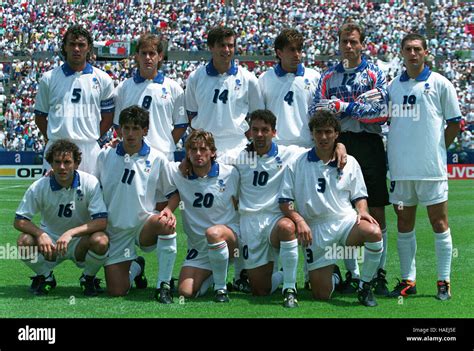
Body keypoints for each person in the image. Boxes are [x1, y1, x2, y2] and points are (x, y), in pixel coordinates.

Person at [308, 22, 390, 295]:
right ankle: (353, 273)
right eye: (345, 41)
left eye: (354, 42)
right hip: (339, 143)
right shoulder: (327, 76)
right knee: (342, 208)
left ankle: (378, 272)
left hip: (369, 143)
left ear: (362, 44)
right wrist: (358, 106)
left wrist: (344, 106)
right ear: (339, 43)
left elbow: (381, 113)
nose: (349, 46)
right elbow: (317, 114)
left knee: (376, 209)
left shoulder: (375, 72)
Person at [279, 111, 383, 307]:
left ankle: (365, 285)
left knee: (374, 232)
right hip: (315, 228)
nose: (323, 137)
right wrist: (299, 220)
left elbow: (359, 195)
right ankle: (333, 272)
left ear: (337, 134)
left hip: (345, 222)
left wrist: (362, 211)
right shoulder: (296, 163)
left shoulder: (349, 161)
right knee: (321, 294)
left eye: (328, 132)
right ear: (312, 134)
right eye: (319, 132)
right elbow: (285, 201)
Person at [386, 33, 461, 301]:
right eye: (408, 49)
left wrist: (437, 149)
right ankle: (409, 280)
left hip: (431, 171)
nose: (413, 53)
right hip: (401, 171)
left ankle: (444, 281)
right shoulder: (393, 86)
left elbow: (455, 123)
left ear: (426, 52)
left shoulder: (441, 83)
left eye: (418, 48)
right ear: (402, 53)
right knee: (404, 224)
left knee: (439, 222)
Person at [96, 105, 177, 303]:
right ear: (119, 130)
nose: (130, 133)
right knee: (117, 291)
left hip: (144, 224)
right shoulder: (105, 155)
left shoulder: (157, 158)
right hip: (115, 230)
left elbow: (173, 194)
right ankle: (136, 267)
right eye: (126, 128)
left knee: (165, 224)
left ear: (145, 130)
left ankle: (163, 285)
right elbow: (91, 188)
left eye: (136, 128)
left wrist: (168, 209)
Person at [14, 139, 109, 296]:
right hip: (50, 242)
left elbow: (101, 222)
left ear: (76, 163)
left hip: (79, 242)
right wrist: (40, 234)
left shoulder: (90, 183)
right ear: (51, 164)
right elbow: (19, 220)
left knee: (101, 240)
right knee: (24, 241)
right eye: (57, 162)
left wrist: (70, 233)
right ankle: (45, 276)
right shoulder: (39, 186)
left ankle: (88, 278)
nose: (62, 167)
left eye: (67, 162)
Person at [235, 110, 306, 308]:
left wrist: (341, 146)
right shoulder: (239, 157)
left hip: (275, 220)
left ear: (274, 132)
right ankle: (282, 274)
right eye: (255, 129)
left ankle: (290, 289)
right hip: (250, 223)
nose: (259, 134)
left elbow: (318, 150)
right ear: (249, 132)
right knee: (260, 291)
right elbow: (208, 157)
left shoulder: (289, 153)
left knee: (287, 227)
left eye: (264, 130)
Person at [162, 129, 240, 303]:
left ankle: (221, 288)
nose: (198, 154)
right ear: (187, 153)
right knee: (185, 292)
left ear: (212, 152)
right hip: (198, 248)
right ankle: (213, 274)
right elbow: (156, 161)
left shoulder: (230, 173)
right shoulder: (178, 173)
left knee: (214, 233)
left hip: (229, 240)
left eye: (203, 149)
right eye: (193, 150)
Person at [34, 25, 115, 176]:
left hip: (89, 150)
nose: (76, 49)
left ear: (89, 47)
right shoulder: (49, 78)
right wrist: (55, 139)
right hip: (56, 149)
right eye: (72, 44)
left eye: (81, 45)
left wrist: (92, 137)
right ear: (64, 47)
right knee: (52, 198)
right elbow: (40, 117)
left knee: (90, 197)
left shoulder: (103, 79)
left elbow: (108, 117)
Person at [185, 26, 264, 163]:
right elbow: (191, 115)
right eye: (222, 45)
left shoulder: (249, 79)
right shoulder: (195, 78)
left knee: (246, 184)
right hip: (205, 147)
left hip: (239, 145)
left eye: (230, 45)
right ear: (211, 47)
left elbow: (258, 116)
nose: (227, 50)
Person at [113, 33, 188, 161]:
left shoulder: (174, 88)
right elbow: (118, 125)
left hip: (163, 156)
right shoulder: (123, 88)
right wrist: (132, 145)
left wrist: (166, 144)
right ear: (137, 56)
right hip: (132, 156)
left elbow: (181, 125)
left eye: (152, 53)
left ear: (160, 56)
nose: (148, 57)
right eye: (143, 53)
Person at [258, 28, 320, 148]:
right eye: (291, 49)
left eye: (299, 50)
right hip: (276, 146)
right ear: (279, 53)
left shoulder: (314, 77)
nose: (296, 54)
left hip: (307, 146)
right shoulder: (264, 79)